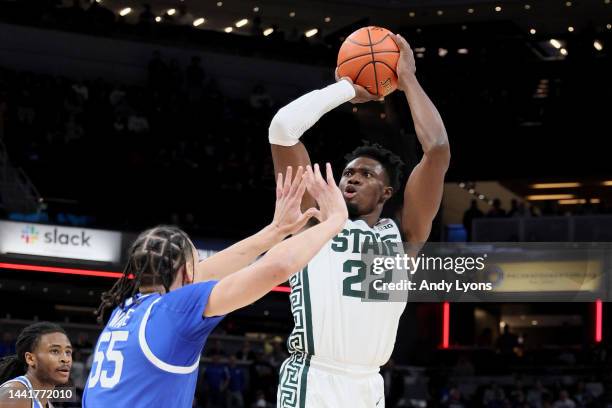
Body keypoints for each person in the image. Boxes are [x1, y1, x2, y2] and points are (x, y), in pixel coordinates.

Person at [268, 34, 450, 407]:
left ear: (387, 194)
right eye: (348, 172)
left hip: (369, 385)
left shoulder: (404, 237)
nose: (351, 177)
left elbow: (437, 150)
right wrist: (345, 90)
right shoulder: (311, 222)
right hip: (313, 378)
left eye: (366, 175)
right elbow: (283, 129)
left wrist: (408, 79)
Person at [82, 164, 348, 407]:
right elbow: (275, 268)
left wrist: (275, 230)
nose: (203, 267)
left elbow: (206, 271)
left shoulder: (129, 308)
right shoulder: (174, 311)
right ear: (187, 271)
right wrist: (335, 220)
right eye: (196, 260)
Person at [0, 322, 73, 408]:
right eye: (55, 351)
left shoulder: (46, 403)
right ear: (30, 359)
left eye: (68, 352)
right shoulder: (13, 397)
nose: (65, 359)